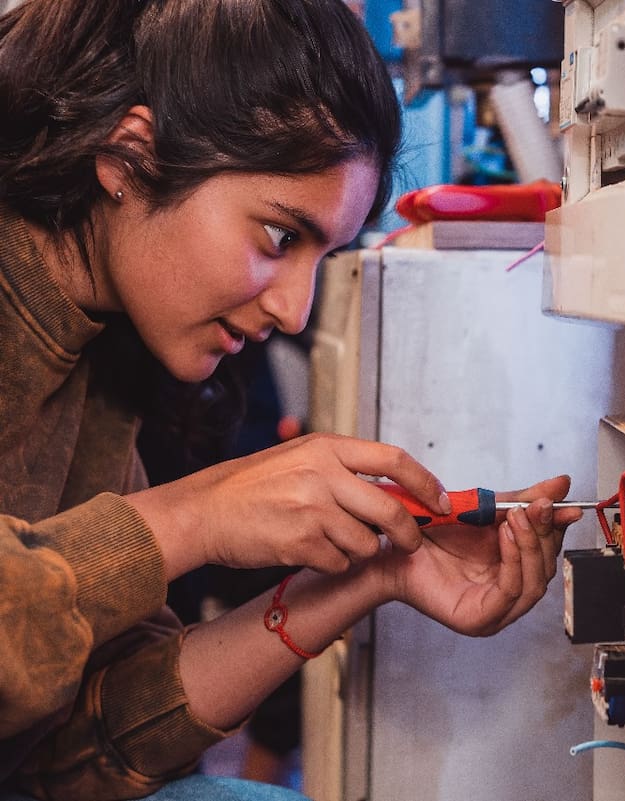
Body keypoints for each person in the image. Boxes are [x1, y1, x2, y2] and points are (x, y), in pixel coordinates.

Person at [0, 2, 580, 800]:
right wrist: (196, 515)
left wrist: (363, 579)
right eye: (279, 237)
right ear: (128, 158)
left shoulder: (98, 357)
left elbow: (74, 753)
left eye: (323, 255)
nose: (295, 312)